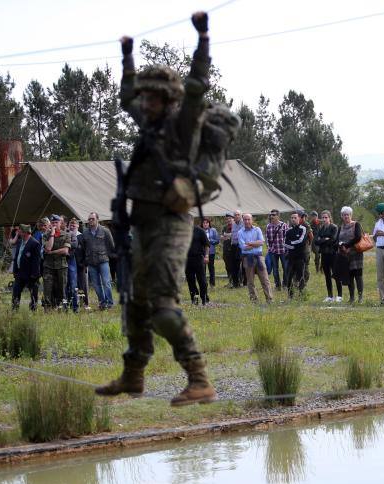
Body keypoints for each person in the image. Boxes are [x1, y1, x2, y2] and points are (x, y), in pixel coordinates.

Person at [96, 12, 218, 406]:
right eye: (144, 96)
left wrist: (202, 37)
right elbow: (125, 96)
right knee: (136, 302)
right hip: (142, 223)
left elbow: (198, 85)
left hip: (171, 223)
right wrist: (127, 57)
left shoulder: (183, 124)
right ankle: (133, 376)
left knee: (164, 308)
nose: (143, 102)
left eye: (151, 97)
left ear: (167, 100)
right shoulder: (146, 124)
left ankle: (199, 378)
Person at [80, 212, 115, 310]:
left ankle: (110, 303)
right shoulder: (85, 233)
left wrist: (107, 255)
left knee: (106, 283)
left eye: (92, 219)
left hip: (103, 260)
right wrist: (85, 260)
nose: (90, 220)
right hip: (91, 262)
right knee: (96, 285)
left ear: (97, 219)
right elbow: (83, 247)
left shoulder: (105, 231)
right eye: (89, 219)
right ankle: (102, 303)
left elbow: (111, 245)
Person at [238, 213, 273, 303]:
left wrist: (249, 243)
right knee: (250, 281)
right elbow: (243, 247)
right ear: (243, 221)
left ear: (252, 220)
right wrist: (255, 244)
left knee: (265, 279)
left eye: (248, 219)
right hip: (247, 258)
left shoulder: (257, 230)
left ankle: (269, 299)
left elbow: (261, 242)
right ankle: (254, 300)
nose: (247, 221)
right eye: (245, 220)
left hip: (259, 257)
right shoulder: (240, 232)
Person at [336, 206, 364, 303]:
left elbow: (358, 237)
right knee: (349, 276)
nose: (346, 216)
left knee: (358, 276)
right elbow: (337, 240)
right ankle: (352, 298)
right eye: (344, 215)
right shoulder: (340, 227)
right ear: (342, 216)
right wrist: (342, 246)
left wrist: (347, 245)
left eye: (347, 215)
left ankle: (360, 298)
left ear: (351, 215)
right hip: (344, 255)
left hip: (356, 254)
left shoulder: (356, 224)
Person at [42, 214, 71, 309]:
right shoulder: (46, 235)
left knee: (61, 289)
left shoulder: (66, 234)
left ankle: (63, 308)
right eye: (53, 222)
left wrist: (52, 252)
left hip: (61, 266)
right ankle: (48, 309)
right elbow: (48, 248)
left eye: (56, 222)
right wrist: (52, 234)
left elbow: (65, 251)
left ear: (60, 223)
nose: (54, 224)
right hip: (48, 266)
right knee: (47, 289)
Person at [11, 224, 42, 311]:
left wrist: (34, 275)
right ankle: (14, 310)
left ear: (25, 232)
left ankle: (33, 310)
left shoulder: (35, 243)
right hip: (19, 273)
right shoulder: (20, 242)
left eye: (20, 231)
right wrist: (15, 271)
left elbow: (36, 261)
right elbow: (17, 257)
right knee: (16, 292)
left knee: (33, 293)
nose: (18, 233)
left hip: (31, 274)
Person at [314, 210, 341, 302]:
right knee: (327, 276)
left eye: (326, 217)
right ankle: (330, 296)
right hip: (324, 254)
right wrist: (324, 239)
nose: (324, 219)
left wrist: (323, 240)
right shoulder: (321, 228)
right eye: (323, 217)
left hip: (333, 254)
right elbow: (316, 241)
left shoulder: (334, 227)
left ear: (330, 218)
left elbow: (333, 240)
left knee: (336, 275)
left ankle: (339, 296)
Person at [284, 211, 309, 299]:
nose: (293, 219)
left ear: (299, 219)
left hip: (300, 257)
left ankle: (302, 295)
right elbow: (284, 243)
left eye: (295, 218)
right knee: (289, 276)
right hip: (291, 257)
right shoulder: (288, 231)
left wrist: (291, 243)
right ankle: (290, 296)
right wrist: (293, 245)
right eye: (292, 218)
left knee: (300, 276)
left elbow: (301, 241)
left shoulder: (303, 228)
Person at [185, 221, 210, 305]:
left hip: (198, 258)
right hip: (187, 259)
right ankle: (194, 298)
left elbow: (206, 244)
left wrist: (206, 256)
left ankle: (204, 298)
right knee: (190, 280)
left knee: (202, 280)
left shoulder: (200, 231)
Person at [265, 209, 289, 290]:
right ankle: (277, 285)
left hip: (283, 250)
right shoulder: (268, 226)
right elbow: (267, 238)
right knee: (275, 269)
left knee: (285, 268)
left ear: (278, 216)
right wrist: (269, 247)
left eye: (274, 214)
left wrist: (286, 247)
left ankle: (285, 284)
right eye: (271, 214)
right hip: (273, 251)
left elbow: (287, 237)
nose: (272, 216)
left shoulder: (284, 225)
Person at [66, 218, 81, 312]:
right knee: (65, 285)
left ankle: (76, 306)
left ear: (77, 225)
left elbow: (75, 245)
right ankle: (66, 305)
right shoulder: (65, 233)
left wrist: (65, 245)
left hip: (75, 261)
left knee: (74, 285)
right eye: (70, 225)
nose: (72, 226)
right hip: (65, 260)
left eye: (74, 225)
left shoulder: (78, 235)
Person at [221, 213, 239, 288]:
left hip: (234, 249)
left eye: (230, 218)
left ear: (233, 219)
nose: (228, 220)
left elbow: (237, 235)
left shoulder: (236, 226)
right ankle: (230, 281)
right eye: (227, 219)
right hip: (226, 249)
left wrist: (229, 235)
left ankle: (237, 282)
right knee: (227, 266)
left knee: (235, 266)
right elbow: (222, 235)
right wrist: (222, 237)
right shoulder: (224, 227)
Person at [201, 218, 220, 287]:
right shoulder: (200, 231)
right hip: (202, 252)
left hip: (211, 252)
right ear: (202, 224)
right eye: (204, 223)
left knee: (211, 268)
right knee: (203, 268)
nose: (205, 224)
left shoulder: (213, 230)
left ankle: (212, 284)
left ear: (209, 223)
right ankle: (203, 284)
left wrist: (209, 241)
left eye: (207, 223)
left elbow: (217, 240)